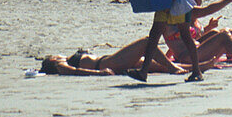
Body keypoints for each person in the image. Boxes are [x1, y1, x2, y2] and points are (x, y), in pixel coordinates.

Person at [39, 37, 201, 76]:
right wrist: (99, 74)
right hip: (107, 64)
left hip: (109, 62)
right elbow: (73, 71)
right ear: (52, 59)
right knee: (146, 42)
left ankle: (198, 67)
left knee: (154, 65)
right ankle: (174, 67)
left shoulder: (63, 61)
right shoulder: (59, 64)